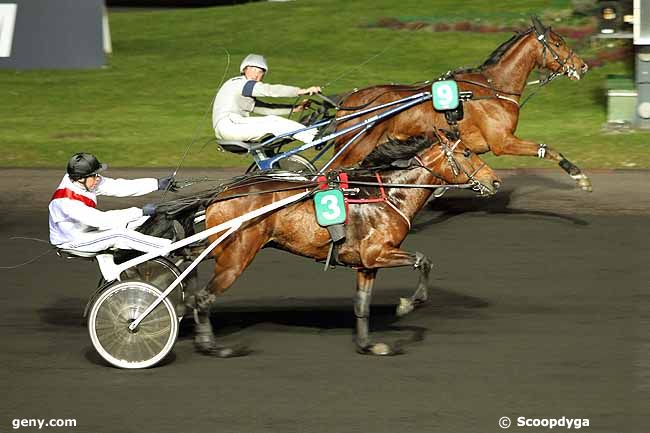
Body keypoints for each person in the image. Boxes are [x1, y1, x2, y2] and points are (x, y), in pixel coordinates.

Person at [48, 152, 179, 254]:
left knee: (143, 220)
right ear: (81, 179)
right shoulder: (66, 203)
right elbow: (102, 220)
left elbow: (118, 186)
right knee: (119, 235)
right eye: (94, 176)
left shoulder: (82, 181)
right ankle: (171, 248)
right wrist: (140, 211)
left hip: (88, 228)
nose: (98, 179)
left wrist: (156, 184)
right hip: (73, 240)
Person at [212, 53, 322, 145]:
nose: (256, 75)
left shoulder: (243, 91)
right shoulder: (240, 83)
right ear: (244, 70)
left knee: (272, 125)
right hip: (230, 125)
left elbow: (266, 108)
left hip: (230, 127)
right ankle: (314, 137)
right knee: (272, 121)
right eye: (253, 69)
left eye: (260, 72)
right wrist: (301, 91)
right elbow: (269, 90)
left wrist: (295, 109)